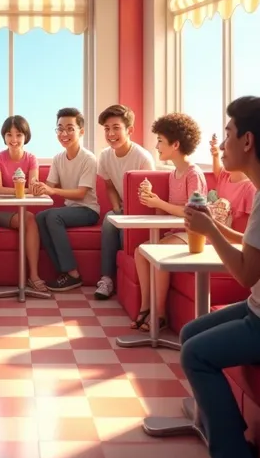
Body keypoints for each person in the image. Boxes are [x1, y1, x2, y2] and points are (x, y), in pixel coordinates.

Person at [175, 96, 260, 458]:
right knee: (192, 330)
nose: (223, 142)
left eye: (228, 133)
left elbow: (247, 273)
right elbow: (257, 249)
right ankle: (232, 449)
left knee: (195, 353)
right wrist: (215, 226)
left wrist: (211, 234)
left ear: (247, 140)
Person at [133, 113, 207, 331]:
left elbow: (194, 213)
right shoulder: (174, 173)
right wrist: (152, 202)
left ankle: (160, 314)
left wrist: (160, 202)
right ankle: (146, 308)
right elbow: (169, 211)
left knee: (158, 253)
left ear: (175, 144)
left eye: (160, 141)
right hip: (177, 232)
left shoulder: (194, 173)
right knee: (140, 251)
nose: (156, 146)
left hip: (193, 235)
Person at [34, 108, 99, 292]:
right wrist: (37, 187)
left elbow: (80, 194)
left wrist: (52, 190)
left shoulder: (89, 158)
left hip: (88, 210)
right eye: (60, 129)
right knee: (40, 218)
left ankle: (73, 274)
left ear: (81, 131)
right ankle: (64, 273)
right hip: (70, 210)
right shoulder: (58, 158)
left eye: (70, 128)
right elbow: (49, 185)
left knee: (53, 217)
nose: (64, 133)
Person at [95, 104, 155, 300]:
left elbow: (149, 196)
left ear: (129, 130)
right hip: (122, 209)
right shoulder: (104, 156)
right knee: (110, 219)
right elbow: (110, 186)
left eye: (116, 128)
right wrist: (116, 208)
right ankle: (107, 279)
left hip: (142, 212)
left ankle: (124, 282)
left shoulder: (143, 158)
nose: (111, 133)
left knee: (120, 227)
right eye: (106, 129)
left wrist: (127, 214)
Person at [0, 115, 49, 294]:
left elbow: (33, 187)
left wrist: (21, 190)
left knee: (30, 218)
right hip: (1, 212)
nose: (14, 140)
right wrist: (22, 190)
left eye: (19, 135)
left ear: (26, 137)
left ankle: (32, 276)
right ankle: (33, 277)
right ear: (4, 137)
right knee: (30, 219)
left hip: (23, 212)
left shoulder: (31, 158)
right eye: (9, 134)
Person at [208, 132, 255, 231]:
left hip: (230, 242)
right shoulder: (224, 176)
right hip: (214, 234)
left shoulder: (250, 189)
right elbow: (217, 170)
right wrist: (215, 155)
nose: (222, 148)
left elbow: (247, 233)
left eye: (228, 153)